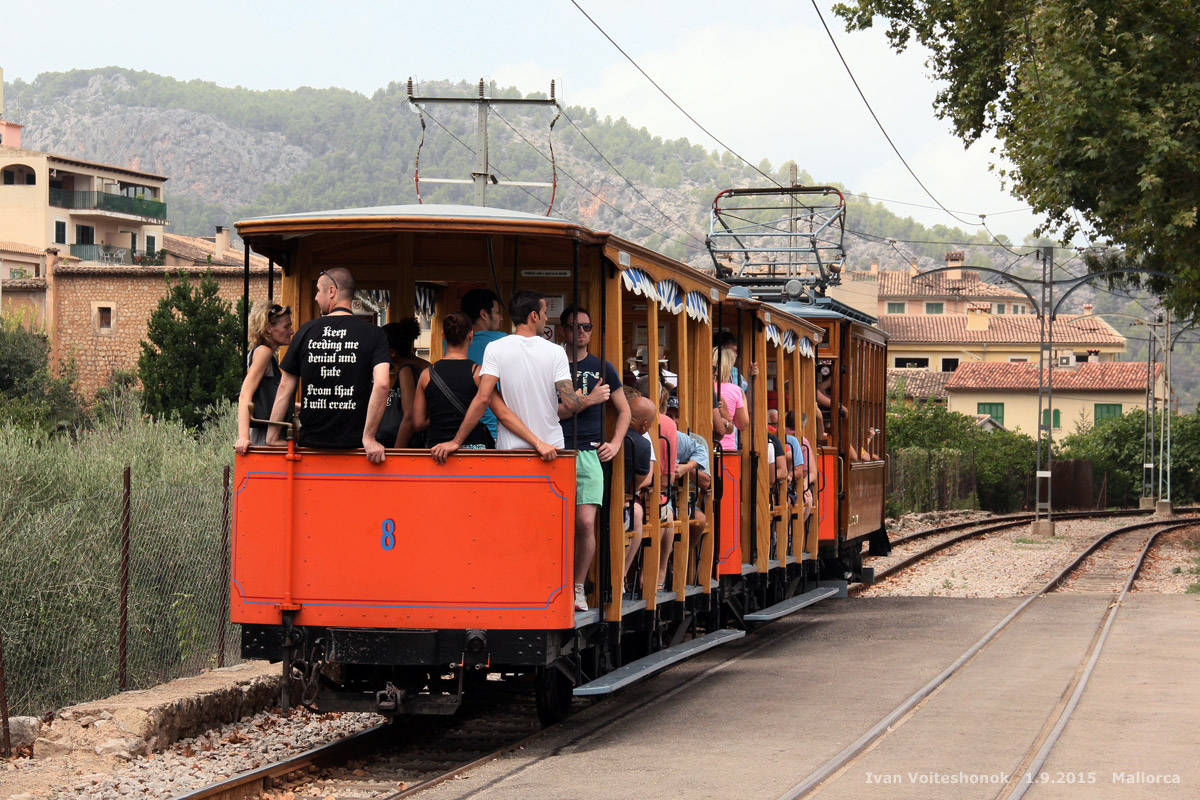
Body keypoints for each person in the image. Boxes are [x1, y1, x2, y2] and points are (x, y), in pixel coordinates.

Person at [431, 289, 582, 463]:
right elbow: (571, 404)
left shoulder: (496, 348)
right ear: (534, 315)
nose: (546, 318)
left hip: (510, 449)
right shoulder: (556, 352)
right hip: (551, 448)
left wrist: (456, 441)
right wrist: (579, 399)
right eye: (544, 313)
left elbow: (482, 398)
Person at [266, 267, 392, 462]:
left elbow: (285, 387)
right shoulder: (374, 334)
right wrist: (369, 437)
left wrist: (272, 436)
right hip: (356, 451)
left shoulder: (305, 331)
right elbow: (383, 384)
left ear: (332, 291)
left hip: (312, 448)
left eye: (318, 290)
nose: (316, 297)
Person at [558, 306, 631, 612]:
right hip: (557, 450)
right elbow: (557, 411)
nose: (582, 332)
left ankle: (577, 586)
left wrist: (615, 444)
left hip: (590, 453)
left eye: (587, 327)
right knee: (556, 523)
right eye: (575, 327)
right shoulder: (556, 365)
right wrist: (588, 400)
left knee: (585, 523)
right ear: (564, 330)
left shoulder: (604, 367)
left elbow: (625, 411)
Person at [410, 311, 495, 450]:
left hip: (436, 449)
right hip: (473, 449)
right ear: (470, 335)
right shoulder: (478, 373)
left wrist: (440, 415)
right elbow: (498, 409)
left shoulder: (427, 375)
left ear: (443, 335)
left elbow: (418, 423)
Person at [235, 301, 294, 453]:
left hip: (266, 433)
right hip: (264, 437)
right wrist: (243, 437)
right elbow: (245, 394)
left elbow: (267, 398)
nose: (291, 331)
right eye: (286, 327)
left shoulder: (268, 356)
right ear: (268, 328)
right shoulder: (263, 352)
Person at [460, 288, 508, 440]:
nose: (501, 318)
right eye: (497, 312)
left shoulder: (449, 341)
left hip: (461, 428)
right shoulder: (504, 341)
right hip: (494, 430)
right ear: (484, 314)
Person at [622, 393, 657, 578]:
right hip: (620, 501)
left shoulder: (603, 429)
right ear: (644, 425)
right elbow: (637, 482)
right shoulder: (642, 444)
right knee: (634, 514)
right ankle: (621, 576)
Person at [383, 318, 431, 448]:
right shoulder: (426, 366)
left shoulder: (406, 371)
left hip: (411, 447)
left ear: (392, 352)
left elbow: (409, 416)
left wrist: (397, 452)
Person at [714, 347, 749, 450]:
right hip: (728, 446)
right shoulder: (735, 390)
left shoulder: (704, 389)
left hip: (707, 445)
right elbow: (742, 425)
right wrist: (743, 397)